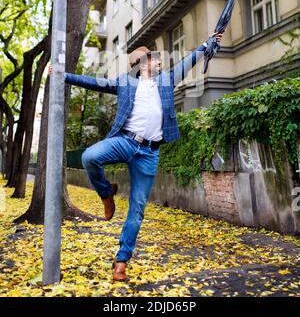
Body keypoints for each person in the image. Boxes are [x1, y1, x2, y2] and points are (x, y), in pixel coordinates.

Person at [48, 31, 223, 281]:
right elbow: (94, 82)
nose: (160, 62)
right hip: (125, 142)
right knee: (89, 157)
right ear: (143, 64)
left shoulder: (166, 80)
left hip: (149, 153)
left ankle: (121, 261)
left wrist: (208, 43)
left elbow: (190, 60)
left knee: (137, 208)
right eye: (155, 59)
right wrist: (63, 75)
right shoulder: (125, 83)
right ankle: (106, 193)